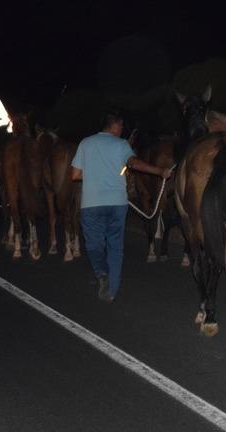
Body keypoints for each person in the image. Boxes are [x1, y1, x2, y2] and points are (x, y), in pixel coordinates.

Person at [71, 111, 172, 303]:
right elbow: (133, 163)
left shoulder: (85, 143)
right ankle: (112, 291)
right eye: (121, 127)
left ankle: (102, 274)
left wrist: (94, 175)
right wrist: (160, 171)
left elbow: (75, 175)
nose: (121, 130)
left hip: (91, 204)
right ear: (116, 126)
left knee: (93, 244)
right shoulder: (121, 144)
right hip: (117, 203)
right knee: (115, 246)